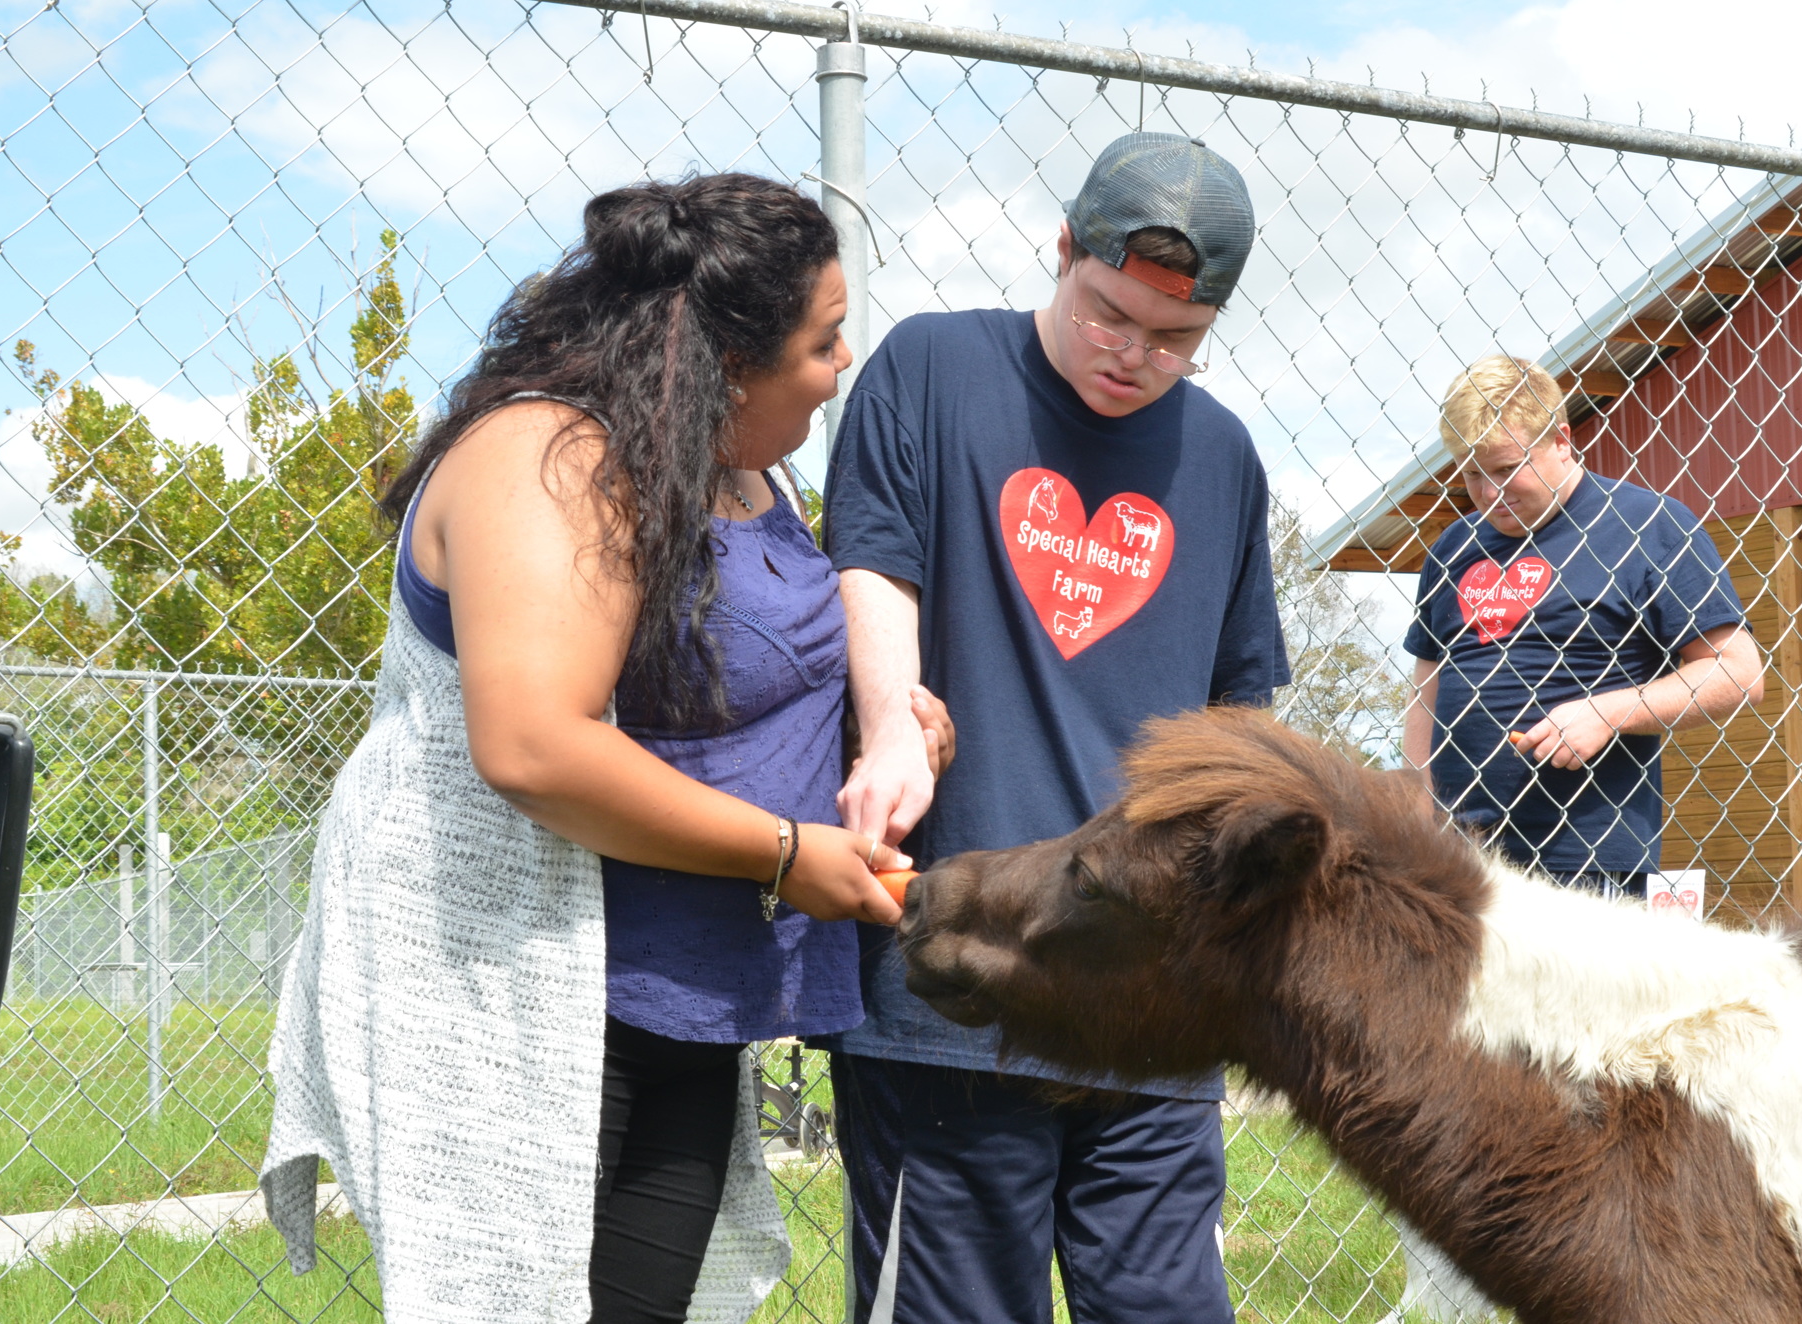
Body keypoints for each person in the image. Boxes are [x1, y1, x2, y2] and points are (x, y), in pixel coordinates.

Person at [261, 173, 953, 1324]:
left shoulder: (737, 465)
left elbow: (700, 677)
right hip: (518, 991)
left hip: (679, 995)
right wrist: (787, 853)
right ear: (729, 364)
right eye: (824, 343)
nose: (842, 370)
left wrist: (877, 723)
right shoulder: (549, 458)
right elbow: (533, 743)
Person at [821, 132, 1288, 1324]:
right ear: (1064, 249)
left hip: (1151, 996)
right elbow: (871, 564)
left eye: (1175, 338)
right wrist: (886, 727)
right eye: (1109, 314)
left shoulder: (1222, 455)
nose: (1134, 354)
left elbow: (1240, 712)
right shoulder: (931, 366)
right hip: (957, 961)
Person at [1403, 355, 1764, 895]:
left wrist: (1607, 713)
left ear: (1562, 440)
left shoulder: (1648, 525)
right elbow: (1428, 684)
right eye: (1471, 472)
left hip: (1586, 861)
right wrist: (1415, 796)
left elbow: (1737, 673)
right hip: (1457, 859)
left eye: (1505, 468)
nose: (1488, 492)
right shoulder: (1454, 547)